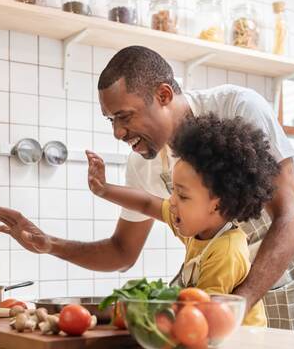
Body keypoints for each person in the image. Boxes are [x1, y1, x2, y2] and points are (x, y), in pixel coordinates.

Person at [0, 45, 294, 334]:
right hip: (225, 283)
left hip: (291, 266)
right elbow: (122, 251)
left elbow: (291, 215)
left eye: (124, 116)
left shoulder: (238, 107)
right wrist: (49, 245)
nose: (118, 133)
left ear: (164, 94)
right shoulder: (143, 162)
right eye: (111, 121)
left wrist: (242, 301)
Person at [85, 114, 280, 327]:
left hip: (242, 345)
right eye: (174, 191)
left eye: (183, 196)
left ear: (216, 205)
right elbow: (147, 204)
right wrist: (104, 190)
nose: (172, 202)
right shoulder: (198, 226)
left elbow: (202, 315)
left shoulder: (227, 250)